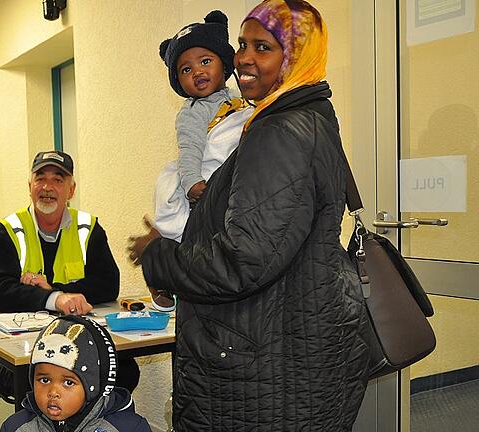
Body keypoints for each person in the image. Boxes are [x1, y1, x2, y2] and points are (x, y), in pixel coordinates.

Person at [129, 1, 371, 430]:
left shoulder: (279, 131)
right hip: (283, 348)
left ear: (294, 58)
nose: (243, 58)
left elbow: (242, 261)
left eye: (263, 47)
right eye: (242, 44)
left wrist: (160, 256)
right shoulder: (303, 117)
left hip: (264, 366)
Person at [0, 150, 140, 392]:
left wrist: (56, 292)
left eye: (58, 179)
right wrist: (57, 299)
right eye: (40, 178)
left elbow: (109, 285)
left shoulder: (89, 229)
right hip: (24, 344)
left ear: (71, 190)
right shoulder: (7, 231)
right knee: (30, 381)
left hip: (78, 334)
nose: (47, 187)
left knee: (126, 371)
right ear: (30, 186)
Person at [146, 10, 253, 312]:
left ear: (224, 62)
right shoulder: (193, 111)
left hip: (226, 176)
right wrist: (191, 180)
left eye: (205, 61)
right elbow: (190, 148)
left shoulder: (240, 100)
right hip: (201, 174)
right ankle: (163, 274)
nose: (197, 72)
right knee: (177, 223)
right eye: (185, 70)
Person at [0, 315, 151, 432]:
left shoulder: (129, 428)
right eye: (44, 380)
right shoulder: (16, 427)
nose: (53, 392)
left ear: (93, 387)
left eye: (68, 382)